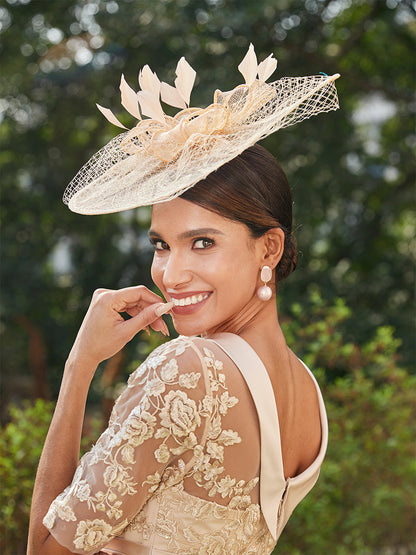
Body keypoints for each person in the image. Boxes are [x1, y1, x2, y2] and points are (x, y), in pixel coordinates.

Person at [28, 45, 339, 554]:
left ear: (270, 247)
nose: (170, 275)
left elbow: (43, 549)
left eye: (203, 243)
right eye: (161, 245)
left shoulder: (188, 369)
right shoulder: (306, 389)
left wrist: (79, 365)